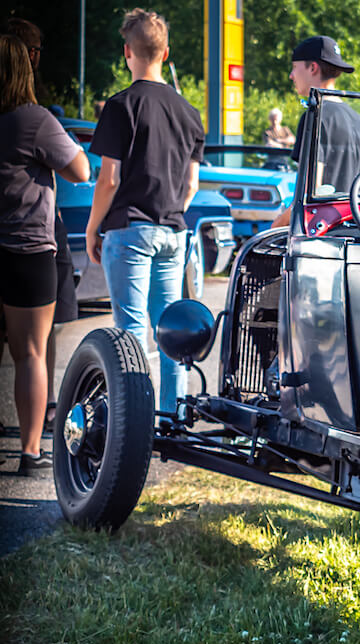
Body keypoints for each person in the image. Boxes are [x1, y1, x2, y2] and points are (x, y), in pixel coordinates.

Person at [86, 8, 205, 410]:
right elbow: (191, 185)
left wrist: (92, 228)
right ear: (166, 53)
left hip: (130, 229)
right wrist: (171, 210)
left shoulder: (120, 107)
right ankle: (171, 415)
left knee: (130, 330)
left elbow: (109, 181)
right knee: (169, 330)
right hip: (174, 230)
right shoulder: (190, 113)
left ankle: (135, 420)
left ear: (127, 53)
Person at [0, 35, 89, 475]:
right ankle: (30, 452)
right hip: (27, 249)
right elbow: (80, 168)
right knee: (31, 353)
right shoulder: (32, 119)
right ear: (25, 69)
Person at [271, 35, 360, 227]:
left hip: (321, 235)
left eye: (295, 68)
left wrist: (274, 228)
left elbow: (308, 195)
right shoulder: (355, 118)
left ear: (313, 68)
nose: (291, 75)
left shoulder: (315, 115)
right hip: (353, 231)